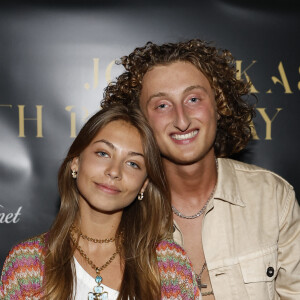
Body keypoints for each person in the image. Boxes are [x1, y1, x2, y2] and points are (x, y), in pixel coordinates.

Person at [101, 39, 300, 299]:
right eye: (162, 105)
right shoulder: (119, 210)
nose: (182, 120)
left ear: (219, 106)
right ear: (141, 120)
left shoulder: (272, 197)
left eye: (193, 99)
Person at [0, 103, 201, 300]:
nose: (114, 171)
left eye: (133, 163)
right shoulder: (26, 263)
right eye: (103, 153)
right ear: (76, 162)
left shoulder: (169, 265)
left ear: (143, 185)